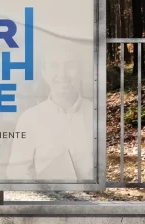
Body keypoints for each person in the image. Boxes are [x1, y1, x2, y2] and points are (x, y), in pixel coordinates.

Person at [6, 40, 94, 182]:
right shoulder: (29, 119)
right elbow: (17, 173)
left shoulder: (98, 115)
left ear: (80, 70)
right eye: (54, 66)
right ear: (44, 72)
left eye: (70, 65)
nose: (62, 74)